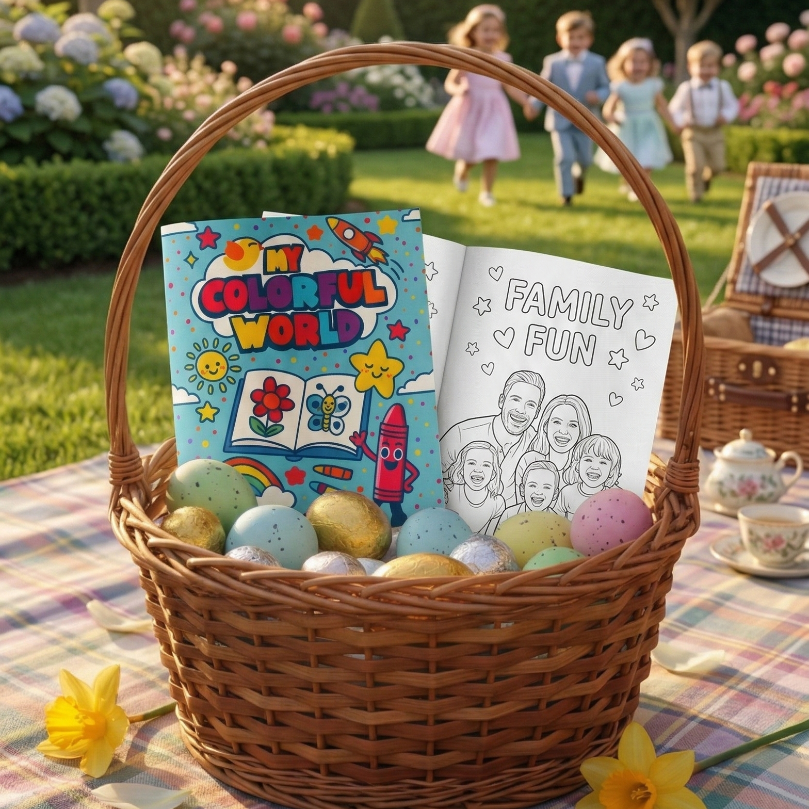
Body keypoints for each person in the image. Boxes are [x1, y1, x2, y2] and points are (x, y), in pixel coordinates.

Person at [425, 4, 532, 207]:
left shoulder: (504, 59)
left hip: (494, 109)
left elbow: (510, 87)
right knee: (472, 153)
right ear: (473, 32)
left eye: (495, 30)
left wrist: (525, 102)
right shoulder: (466, 55)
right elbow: (451, 82)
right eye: (485, 30)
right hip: (471, 108)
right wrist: (459, 90)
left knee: (491, 152)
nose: (491, 34)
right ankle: (463, 170)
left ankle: (487, 192)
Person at [525, 11, 610, 207]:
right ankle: (566, 194)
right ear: (560, 38)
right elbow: (542, 86)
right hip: (560, 120)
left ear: (589, 39)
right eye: (570, 37)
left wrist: (599, 95)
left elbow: (606, 86)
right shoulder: (552, 62)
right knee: (565, 157)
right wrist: (533, 105)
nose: (575, 41)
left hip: (587, 121)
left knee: (586, 159)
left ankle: (579, 175)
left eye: (580, 37)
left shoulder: (597, 62)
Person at [441, 370, 545, 505]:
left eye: (530, 405)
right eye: (515, 399)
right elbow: (429, 473)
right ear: (502, 401)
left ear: (537, 412)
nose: (521, 410)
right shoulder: (463, 433)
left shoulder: (538, 444)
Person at [594, 38, 677, 201]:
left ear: (650, 64)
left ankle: (642, 189)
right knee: (628, 160)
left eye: (643, 62)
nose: (638, 66)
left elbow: (662, 106)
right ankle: (629, 183)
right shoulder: (620, 86)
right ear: (623, 64)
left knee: (647, 158)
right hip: (626, 127)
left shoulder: (653, 85)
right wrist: (611, 117)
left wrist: (673, 124)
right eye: (633, 62)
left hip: (648, 126)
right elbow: (608, 108)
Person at [668, 40, 739, 202]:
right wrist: (682, 120)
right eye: (701, 66)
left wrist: (725, 116)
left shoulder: (723, 87)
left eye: (710, 66)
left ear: (718, 67)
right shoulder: (686, 88)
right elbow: (674, 109)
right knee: (695, 167)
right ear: (690, 67)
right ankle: (696, 195)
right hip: (693, 133)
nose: (706, 70)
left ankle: (707, 178)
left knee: (718, 167)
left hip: (715, 133)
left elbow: (733, 106)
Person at [445, 441, 507, 533]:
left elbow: (491, 538)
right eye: (471, 463)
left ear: (493, 473)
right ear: (461, 468)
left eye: (486, 465)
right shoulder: (449, 492)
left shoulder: (497, 503)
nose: (478, 469)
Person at [555, 434, 622, 518]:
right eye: (588, 460)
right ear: (577, 465)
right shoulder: (566, 492)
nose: (594, 467)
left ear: (612, 470)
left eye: (603, 462)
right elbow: (555, 520)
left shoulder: (616, 496)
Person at [490, 454, 560, 531]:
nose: (538, 492)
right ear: (522, 489)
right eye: (533, 485)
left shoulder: (557, 521)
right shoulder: (509, 514)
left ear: (555, 494)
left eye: (546, 487)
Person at [531, 393, 592, 474]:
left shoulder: (586, 473)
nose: (563, 431)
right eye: (557, 422)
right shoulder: (529, 461)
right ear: (545, 426)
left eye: (572, 425)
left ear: (581, 431)